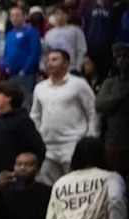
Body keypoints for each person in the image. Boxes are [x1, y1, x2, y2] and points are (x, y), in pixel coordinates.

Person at [0, 81, 45, 219]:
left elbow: (38, 149)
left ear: (8, 98)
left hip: (11, 181)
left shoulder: (23, 121)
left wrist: (24, 175)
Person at [31, 49, 98, 185]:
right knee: (49, 187)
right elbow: (35, 115)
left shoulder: (79, 84)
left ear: (66, 63)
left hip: (72, 143)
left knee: (74, 185)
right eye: (48, 60)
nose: (50, 63)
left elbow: (92, 110)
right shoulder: (40, 88)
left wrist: (91, 135)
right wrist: (39, 135)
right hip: (48, 146)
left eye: (55, 60)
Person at [95, 43, 129, 180]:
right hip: (113, 140)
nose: (122, 61)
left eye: (125, 56)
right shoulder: (110, 83)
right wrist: (122, 96)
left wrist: (114, 105)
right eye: (118, 57)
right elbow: (100, 104)